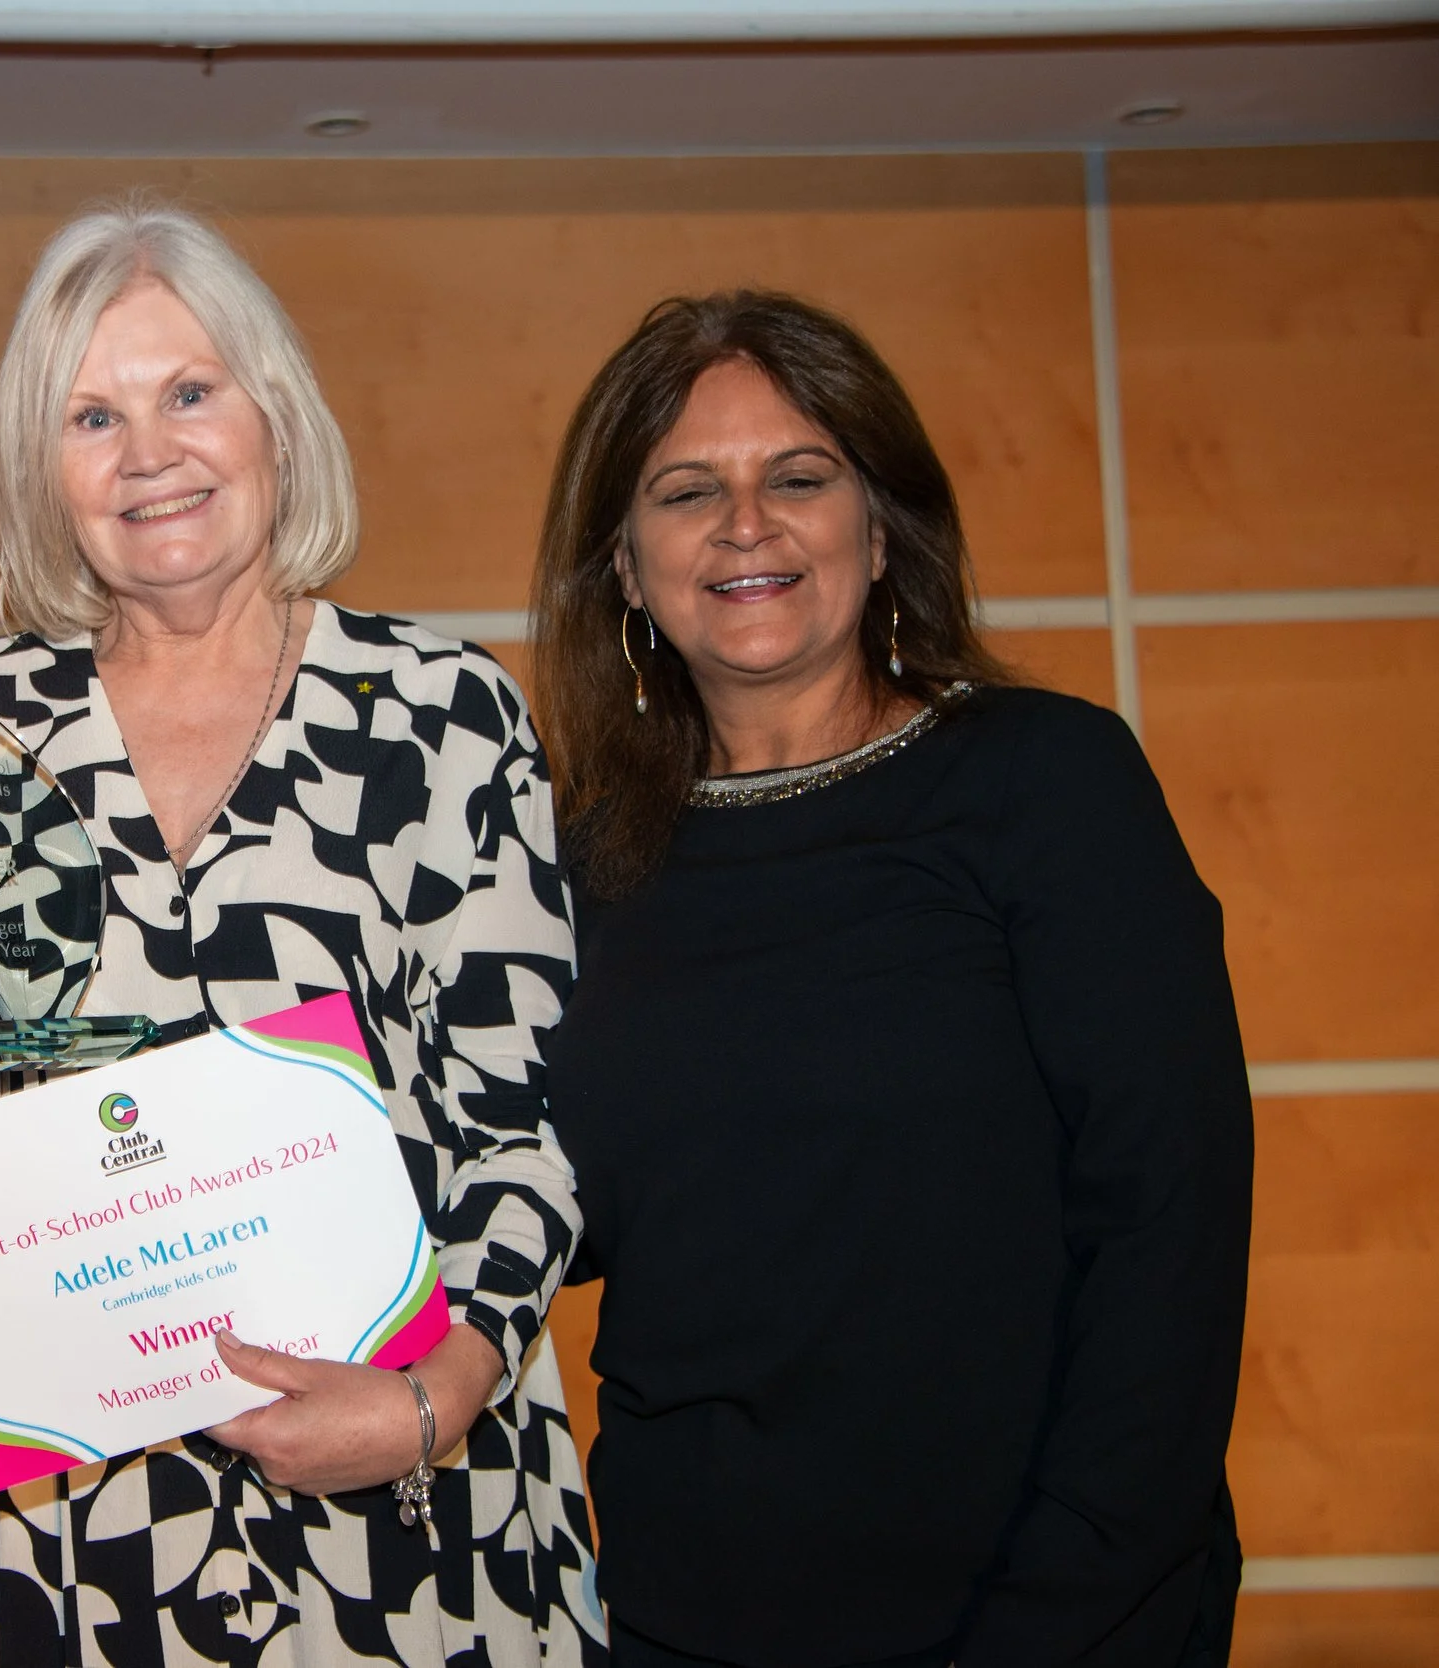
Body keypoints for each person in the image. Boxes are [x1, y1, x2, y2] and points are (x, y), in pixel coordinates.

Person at [0, 201, 607, 1667]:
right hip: (70, 1543)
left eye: (191, 392)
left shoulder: (440, 715)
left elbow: (532, 1127)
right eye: (92, 416)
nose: (149, 454)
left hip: (415, 1516)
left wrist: (435, 1397)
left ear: (277, 417)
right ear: (40, 474)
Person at [532, 290, 1252, 1668]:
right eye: (689, 492)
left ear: (879, 527)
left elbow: (1171, 1218)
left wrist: (1063, 1611)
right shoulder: (577, 871)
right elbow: (549, 1209)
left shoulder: (1047, 783)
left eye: (798, 478)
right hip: (693, 1624)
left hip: (1055, 1612)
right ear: (625, 566)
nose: (748, 524)